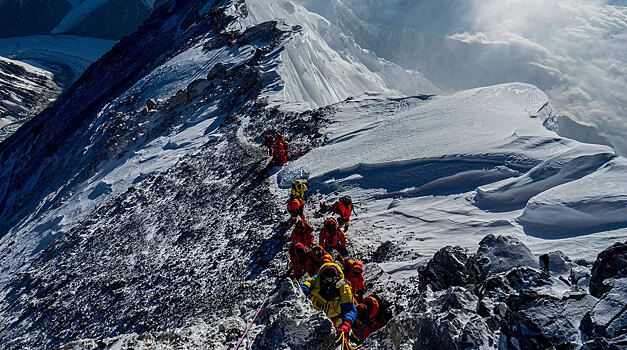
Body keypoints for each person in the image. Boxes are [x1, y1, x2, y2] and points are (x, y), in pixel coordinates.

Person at [300, 263, 357, 338]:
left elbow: (349, 309)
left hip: (335, 322)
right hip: (314, 318)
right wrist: (301, 291)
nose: (329, 282)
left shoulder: (343, 289)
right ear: (322, 277)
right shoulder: (316, 281)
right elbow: (305, 287)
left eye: (333, 279)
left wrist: (346, 323)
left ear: (337, 279)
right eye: (327, 279)